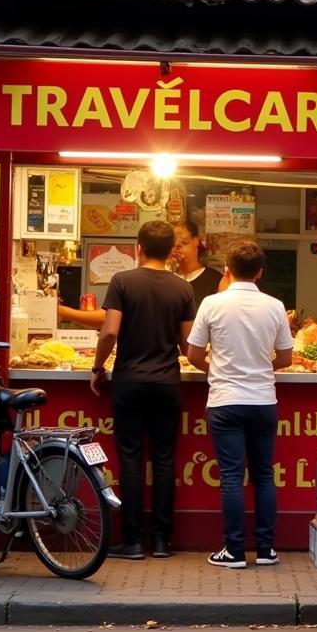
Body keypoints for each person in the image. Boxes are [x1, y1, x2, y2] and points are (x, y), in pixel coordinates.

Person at [90, 221, 195, 560]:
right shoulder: (182, 287)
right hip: (167, 382)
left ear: (139, 248)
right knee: (165, 461)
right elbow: (186, 343)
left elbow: (109, 333)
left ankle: (133, 541)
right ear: (171, 251)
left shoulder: (122, 281)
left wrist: (97, 367)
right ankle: (162, 541)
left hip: (129, 381)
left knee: (131, 460)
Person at [186, 241, 293, 569]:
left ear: (228, 270)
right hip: (263, 400)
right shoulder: (275, 306)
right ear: (260, 272)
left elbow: (192, 354)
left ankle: (233, 551)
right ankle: (265, 550)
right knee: (263, 474)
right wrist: (258, 368)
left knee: (232, 477)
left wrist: (217, 369)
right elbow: (286, 358)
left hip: (225, 401)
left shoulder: (211, 304)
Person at [172, 220, 225, 309]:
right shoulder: (168, 280)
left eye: (184, 243)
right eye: (173, 245)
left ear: (196, 241)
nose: (177, 249)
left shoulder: (215, 280)